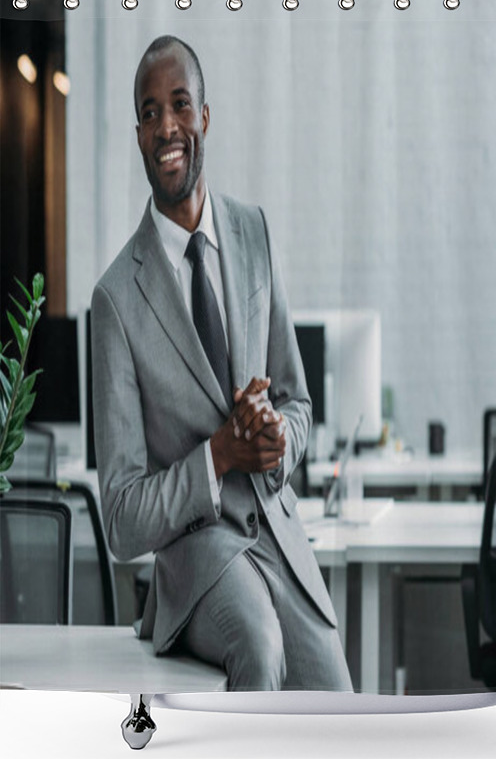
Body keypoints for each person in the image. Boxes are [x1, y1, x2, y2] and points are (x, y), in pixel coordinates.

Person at [91, 35, 351, 692]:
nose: (167, 126)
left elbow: (298, 405)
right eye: (150, 113)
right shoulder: (116, 299)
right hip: (199, 559)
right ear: (139, 132)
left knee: (342, 703)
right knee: (259, 650)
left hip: (279, 541)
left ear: (206, 116)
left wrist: (274, 442)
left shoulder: (253, 230)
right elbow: (121, 518)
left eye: (180, 105)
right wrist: (220, 457)